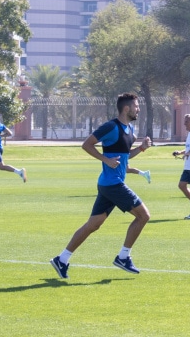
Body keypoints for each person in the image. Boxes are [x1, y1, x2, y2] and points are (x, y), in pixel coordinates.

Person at [50, 93, 152, 279]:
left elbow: (124, 161)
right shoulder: (111, 127)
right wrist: (105, 159)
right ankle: (123, 257)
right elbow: (87, 144)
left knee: (93, 225)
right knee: (144, 216)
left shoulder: (130, 131)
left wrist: (142, 148)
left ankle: (61, 259)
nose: (138, 109)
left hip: (108, 185)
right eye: (136, 106)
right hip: (113, 185)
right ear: (126, 108)